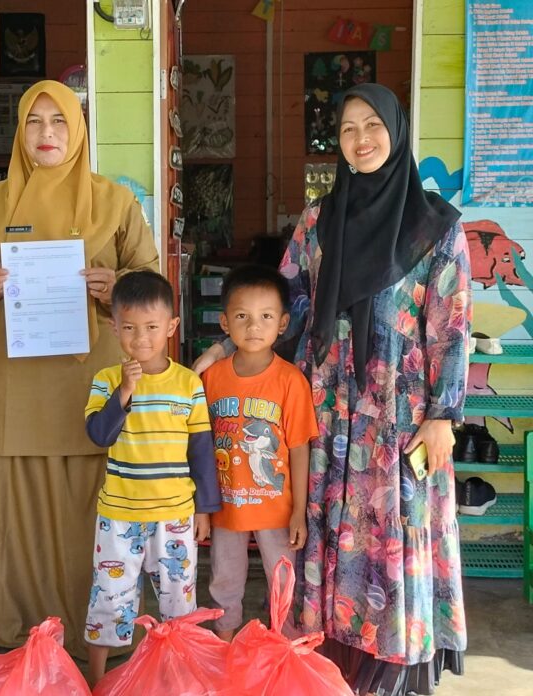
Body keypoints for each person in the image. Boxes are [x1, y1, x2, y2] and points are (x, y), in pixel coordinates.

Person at [194, 83, 469, 694]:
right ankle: (326, 660)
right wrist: (223, 349)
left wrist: (443, 415)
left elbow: (452, 327)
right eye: (347, 129)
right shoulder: (318, 223)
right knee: (328, 532)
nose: (361, 139)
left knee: (392, 530)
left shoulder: (435, 227)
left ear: (396, 131)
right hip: (326, 412)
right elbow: (283, 308)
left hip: (399, 417)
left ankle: (393, 663)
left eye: (372, 125)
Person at [0, 80, 160, 658]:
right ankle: (19, 621)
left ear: (79, 129)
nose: (47, 133)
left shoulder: (115, 202)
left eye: (59, 120)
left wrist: (117, 286)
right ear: (20, 132)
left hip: (91, 376)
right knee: (15, 496)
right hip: (15, 379)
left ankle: (98, 622)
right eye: (35, 122)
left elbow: (151, 282)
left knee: (93, 496)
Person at [82, 270, 220, 685]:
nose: (140, 338)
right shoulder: (106, 380)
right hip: (119, 516)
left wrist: (204, 510)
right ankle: (96, 682)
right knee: (109, 601)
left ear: (171, 327)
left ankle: (179, 680)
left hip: (174, 516)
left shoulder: (189, 384)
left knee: (180, 605)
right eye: (129, 328)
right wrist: (124, 392)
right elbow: (99, 435)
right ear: (114, 327)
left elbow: (201, 452)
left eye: (151, 327)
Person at [200, 264, 318, 642]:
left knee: (283, 580)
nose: (253, 327)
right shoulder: (211, 378)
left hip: (277, 510)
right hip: (225, 508)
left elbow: (299, 450)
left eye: (266, 317)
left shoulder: (291, 381)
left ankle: (285, 650)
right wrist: (201, 507)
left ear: (282, 323)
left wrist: (298, 511)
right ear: (224, 322)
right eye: (242, 317)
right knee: (224, 580)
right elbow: (199, 446)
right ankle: (225, 650)